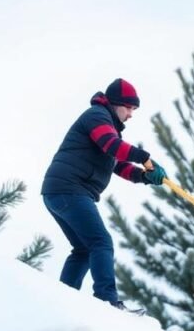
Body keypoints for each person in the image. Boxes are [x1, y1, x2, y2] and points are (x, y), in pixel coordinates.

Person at [41, 78, 167, 311]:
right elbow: (112, 146)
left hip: (59, 192)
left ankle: (62, 304)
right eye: (129, 108)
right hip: (69, 189)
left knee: (84, 250)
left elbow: (117, 164)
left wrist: (144, 176)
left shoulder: (106, 126)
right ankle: (107, 301)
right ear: (116, 103)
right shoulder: (97, 116)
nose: (131, 114)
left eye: (134, 109)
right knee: (100, 242)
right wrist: (146, 158)